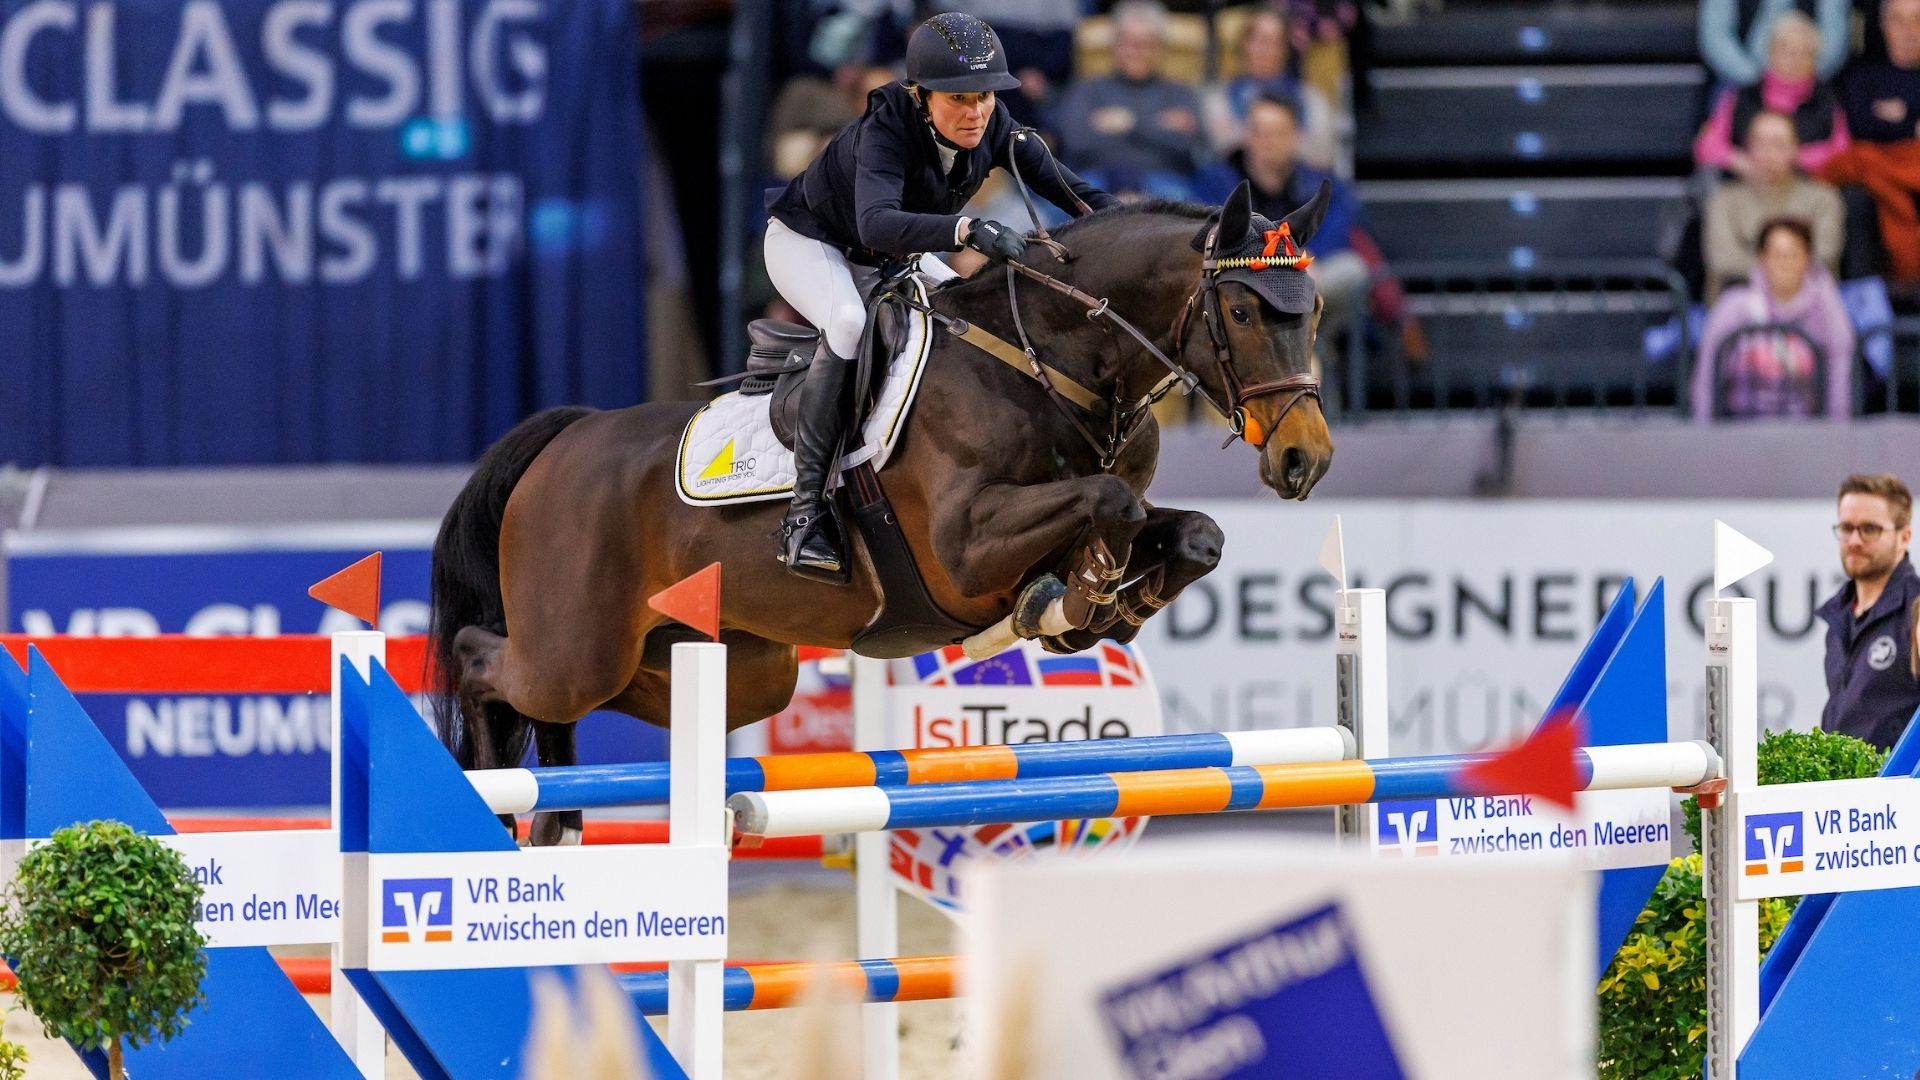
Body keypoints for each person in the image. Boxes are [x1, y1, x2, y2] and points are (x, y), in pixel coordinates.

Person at [762, 12, 1118, 583]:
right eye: (960, 99)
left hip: (892, 255)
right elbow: (875, 224)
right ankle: (806, 514)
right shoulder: (884, 131)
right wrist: (964, 231)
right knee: (850, 322)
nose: (976, 112)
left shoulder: (994, 123)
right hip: (813, 244)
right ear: (921, 95)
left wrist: (1149, 232)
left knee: (967, 315)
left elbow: (1074, 192)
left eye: (984, 97)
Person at [1693, 218, 1854, 420]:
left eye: (1793, 254)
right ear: (1762, 258)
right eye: (1777, 255)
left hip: (1807, 431)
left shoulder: (1828, 307)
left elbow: (1839, 372)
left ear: (1808, 258)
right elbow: (1708, 370)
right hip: (1740, 428)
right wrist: (1704, 429)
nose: (1785, 263)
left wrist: (1835, 431)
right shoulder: (1734, 305)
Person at [1051, 0, 1210, 197]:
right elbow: (1074, 140)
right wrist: (1158, 125)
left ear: (1159, 48)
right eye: (1128, 43)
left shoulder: (1180, 92)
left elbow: (1189, 145)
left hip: (1164, 183)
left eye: (1144, 44)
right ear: (1114, 46)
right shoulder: (1087, 88)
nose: (1135, 52)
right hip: (1096, 179)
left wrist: (1130, 123)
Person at [1819, 473, 1920, 750]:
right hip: (1843, 789)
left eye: (1870, 529)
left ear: (1904, 536)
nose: (1854, 540)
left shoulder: (1916, 610)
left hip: (1900, 791)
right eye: (1846, 527)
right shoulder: (1839, 614)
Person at [1702, 110, 1845, 297]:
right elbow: (1723, 260)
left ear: (1795, 149)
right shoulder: (1723, 200)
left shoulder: (1824, 198)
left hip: (1809, 309)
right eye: (1761, 144)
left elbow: (1825, 255)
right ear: (1747, 148)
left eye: (1779, 145)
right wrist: (1786, 269)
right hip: (1739, 309)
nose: (1770, 154)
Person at [1695, 12, 1852, 176]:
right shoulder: (1743, 94)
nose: (1794, 59)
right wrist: (1742, 161)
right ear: (1770, 52)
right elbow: (1707, 146)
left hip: (1807, 187)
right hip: (1746, 184)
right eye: (1786, 50)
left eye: (1804, 52)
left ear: (1815, 59)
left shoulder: (1826, 99)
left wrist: (1793, 159)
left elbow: (1842, 151)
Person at [1203, 6, 1340, 171]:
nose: (1259, 49)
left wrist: (1257, 146)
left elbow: (1321, 152)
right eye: (1253, 39)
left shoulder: (1311, 99)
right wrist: (1283, 142)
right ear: (1243, 45)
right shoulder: (1219, 97)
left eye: (1269, 41)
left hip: (1297, 184)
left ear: (1284, 49)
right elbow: (1218, 145)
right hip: (1232, 183)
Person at [1699, 0, 1850, 86]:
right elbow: (1716, 39)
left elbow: (1833, 48)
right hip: (1742, 80)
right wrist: (1759, 81)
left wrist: (1801, 79)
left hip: (1811, 80)